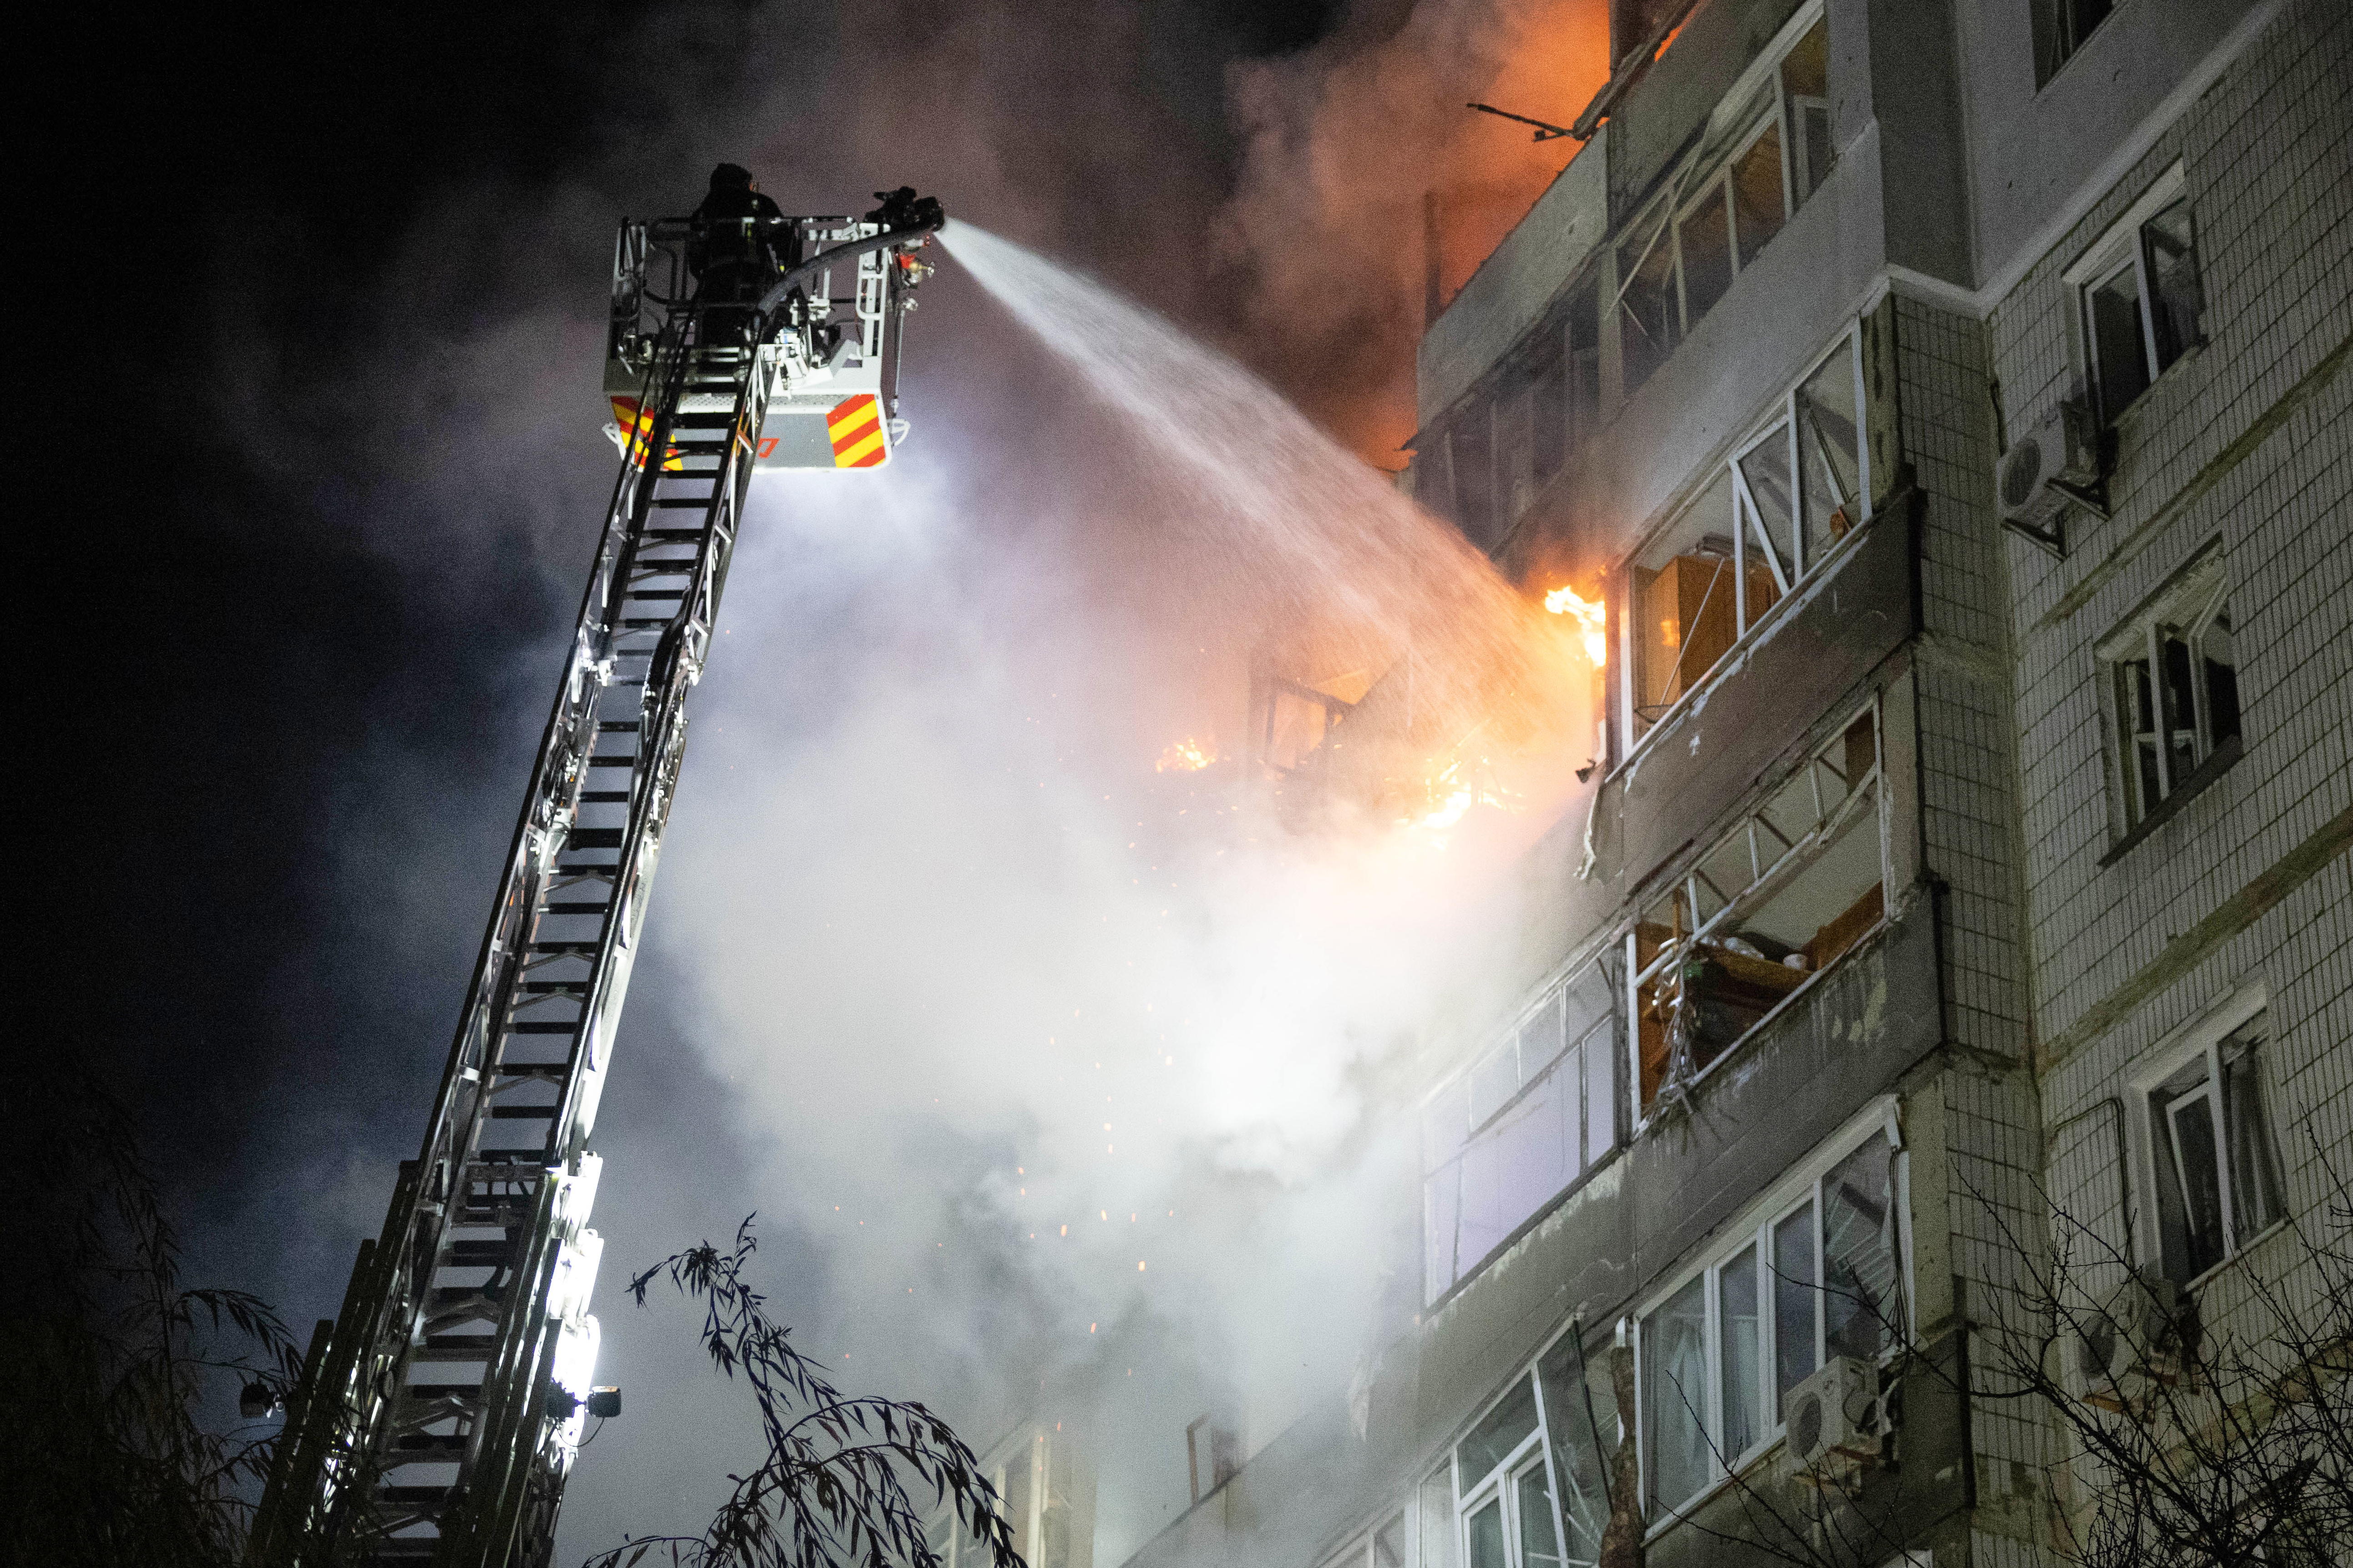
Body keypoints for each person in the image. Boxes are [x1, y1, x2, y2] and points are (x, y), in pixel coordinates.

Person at [688, 163, 786, 345]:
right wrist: (784, 273)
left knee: (713, 341)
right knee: (762, 334)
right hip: (758, 280)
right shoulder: (762, 203)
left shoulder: (705, 210)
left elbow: (695, 260)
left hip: (715, 284)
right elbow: (785, 244)